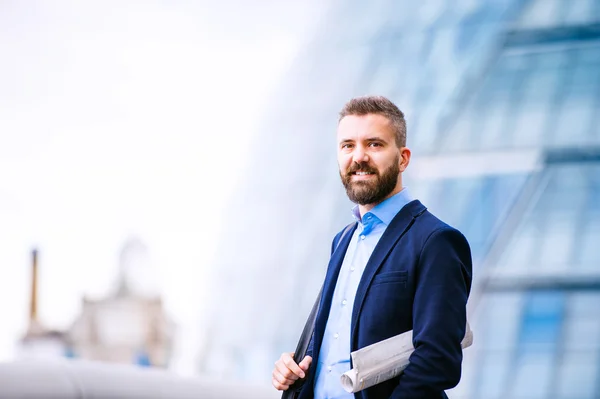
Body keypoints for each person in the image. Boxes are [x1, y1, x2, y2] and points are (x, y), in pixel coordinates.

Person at [272, 95, 473, 399]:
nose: (359, 156)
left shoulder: (436, 241)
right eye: (348, 145)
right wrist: (295, 366)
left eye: (374, 144)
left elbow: (438, 360)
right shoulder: (342, 240)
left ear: (403, 158)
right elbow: (334, 343)